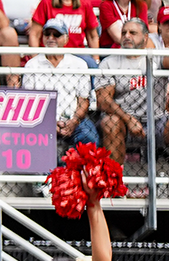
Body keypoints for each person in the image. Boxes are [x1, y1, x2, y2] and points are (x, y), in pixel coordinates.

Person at [96, 18, 168, 164]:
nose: (127, 36)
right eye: (124, 33)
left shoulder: (156, 57)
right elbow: (103, 101)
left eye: (132, 33)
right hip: (123, 122)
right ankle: (115, 182)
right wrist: (128, 119)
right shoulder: (109, 62)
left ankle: (166, 181)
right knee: (110, 122)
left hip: (157, 121)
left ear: (146, 37)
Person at [21, 20, 100, 149]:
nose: (51, 38)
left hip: (74, 119)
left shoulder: (79, 64)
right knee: (38, 140)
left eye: (56, 35)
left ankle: (81, 169)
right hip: (40, 121)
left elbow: (83, 100)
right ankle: (50, 169)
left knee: (89, 137)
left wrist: (74, 121)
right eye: (47, 34)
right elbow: (30, 102)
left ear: (66, 39)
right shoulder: (32, 65)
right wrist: (49, 123)